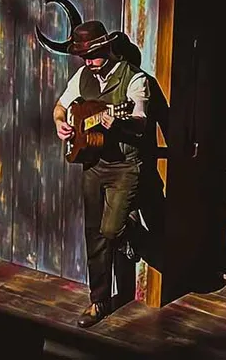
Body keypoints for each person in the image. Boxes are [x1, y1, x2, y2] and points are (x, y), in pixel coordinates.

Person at [52, 20, 158, 328]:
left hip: (125, 166)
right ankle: (98, 301)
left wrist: (119, 123)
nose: (89, 63)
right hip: (92, 162)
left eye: (94, 56)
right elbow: (61, 106)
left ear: (107, 49)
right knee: (94, 235)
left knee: (110, 230)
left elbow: (139, 120)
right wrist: (62, 123)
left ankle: (136, 239)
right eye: (84, 58)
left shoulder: (135, 79)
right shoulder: (83, 75)